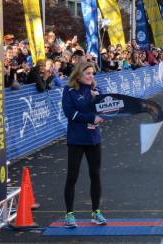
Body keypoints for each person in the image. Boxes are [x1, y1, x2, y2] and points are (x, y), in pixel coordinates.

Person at [61, 61, 107, 228]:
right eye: (88, 73)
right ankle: (69, 214)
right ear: (79, 74)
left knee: (95, 175)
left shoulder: (97, 90)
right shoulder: (69, 90)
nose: (91, 76)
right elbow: (69, 112)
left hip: (94, 139)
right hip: (76, 139)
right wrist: (90, 117)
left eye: (93, 73)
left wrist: (97, 102)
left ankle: (96, 212)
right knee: (72, 176)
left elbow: (103, 111)